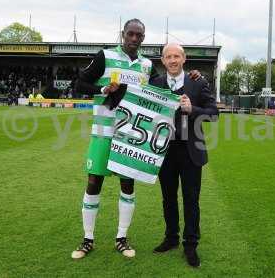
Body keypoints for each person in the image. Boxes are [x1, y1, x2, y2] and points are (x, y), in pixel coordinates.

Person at [72, 19, 201, 259]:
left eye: (138, 35)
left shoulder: (146, 65)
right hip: (103, 133)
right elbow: (79, 83)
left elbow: (164, 91)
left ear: (143, 38)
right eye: (130, 34)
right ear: (123, 34)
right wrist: (102, 90)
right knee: (93, 184)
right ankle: (87, 239)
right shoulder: (105, 56)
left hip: (129, 136)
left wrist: (192, 75)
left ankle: (121, 238)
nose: (134, 38)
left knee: (127, 186)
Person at [150, 43, 218, 268]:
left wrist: (193, 110)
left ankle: (190, 245)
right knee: (168, 198)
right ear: (162, 60)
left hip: (191, 151)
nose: (172, 60)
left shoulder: (198, 83)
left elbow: (214, 115)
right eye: (168, 56)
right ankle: (171, 238)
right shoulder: (155, 84)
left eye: (176, 56)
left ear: (184, 58)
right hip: (165, 151)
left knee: (191, 200)